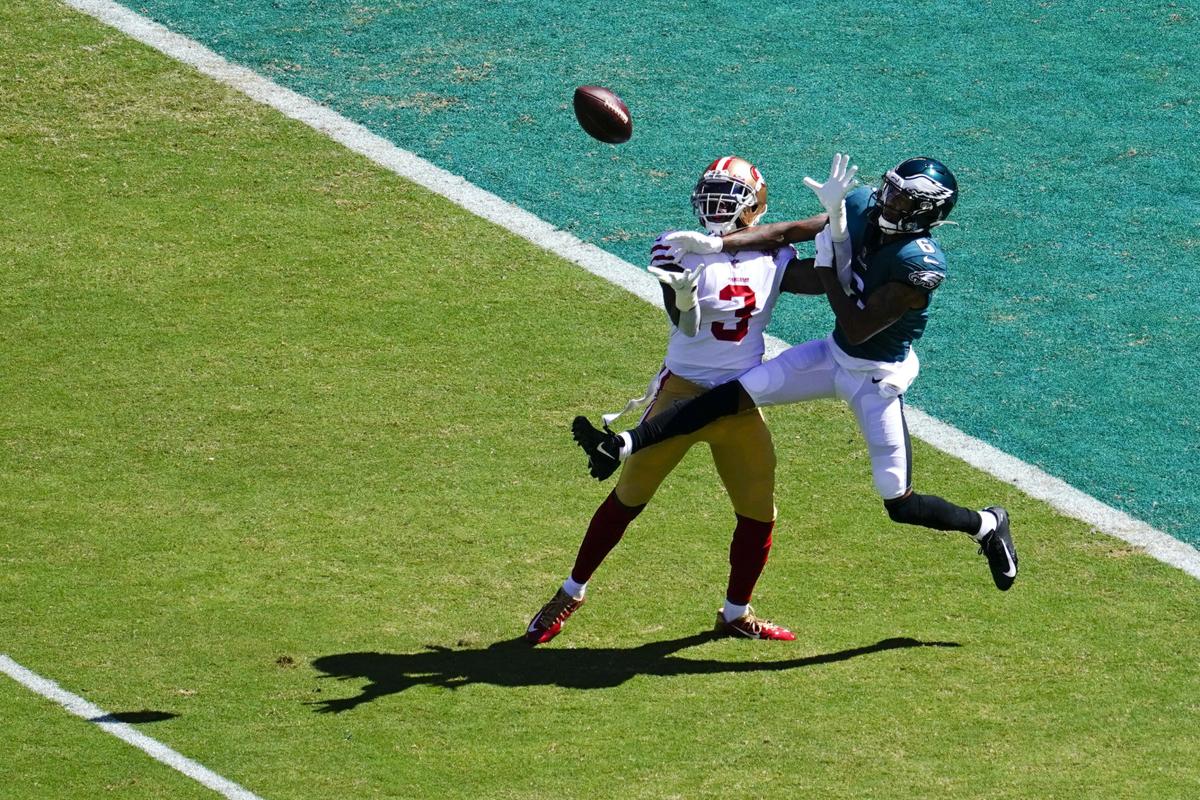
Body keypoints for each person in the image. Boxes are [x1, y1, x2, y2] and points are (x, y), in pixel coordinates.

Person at [572, 154, 1019, 592]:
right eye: (890, 192)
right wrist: (720, 245)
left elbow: (858, 327)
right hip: (830, 357)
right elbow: (785, 232)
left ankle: (984, 524)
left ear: (926, 214)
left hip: (875, 376)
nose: (888, 203)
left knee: (896, 500)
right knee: (731, 394)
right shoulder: (863, 205)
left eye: (903, 202)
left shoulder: (919, 265)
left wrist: (829, 268)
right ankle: (626, 442)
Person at [525, 156, 829, 645]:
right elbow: (684, 323)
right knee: (628, 497)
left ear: (753, 209)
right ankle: (570, 591)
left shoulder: (773, 254)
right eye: (712, 194)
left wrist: (845, 229)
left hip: (738, 400)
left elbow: (819, 276)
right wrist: (684, 297)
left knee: (758, 512)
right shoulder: (678, 247)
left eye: (729, 195)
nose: (716, 205)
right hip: (682, 393)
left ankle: (735, 613)